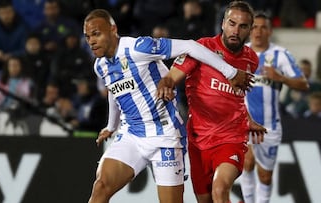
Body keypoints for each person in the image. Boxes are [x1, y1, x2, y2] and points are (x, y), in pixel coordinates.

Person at [84, 8, 253, 203]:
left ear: (113, 29)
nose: (92, 41)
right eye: (88, 36)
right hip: (132, 133)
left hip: (164, 135)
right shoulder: (100, 65)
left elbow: (191, 46)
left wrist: (230, 72)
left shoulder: (139, 47)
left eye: (97, 34)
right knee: (101, 187)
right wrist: (111, 126)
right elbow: (115, 90)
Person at [156, 1, 267, 203]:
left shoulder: (251, 59)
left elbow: (236, 97)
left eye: (243, 26)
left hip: (231, 138)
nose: (236, 30)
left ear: (250, 30)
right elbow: (171, 77)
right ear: (223, 23)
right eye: (232, 23)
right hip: (198, 140)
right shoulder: (200, 48)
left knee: (220, 189)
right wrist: (166, 84)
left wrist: (247, 119)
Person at [239, 11, 309, 203]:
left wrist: (280, 78)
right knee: (246, 163)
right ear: (249, 30)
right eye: (254, 27)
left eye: (263, 27)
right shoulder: (241, 53)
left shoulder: (280, 55)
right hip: (245, 123)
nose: (258, 32)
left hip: (270, 126)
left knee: (265, 176)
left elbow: (303, 84)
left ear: (270, 31)